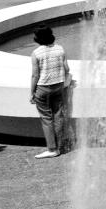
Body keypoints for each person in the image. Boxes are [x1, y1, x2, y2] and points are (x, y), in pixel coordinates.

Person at [29, 28, 73, 158]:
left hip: (42, 89)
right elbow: (67, 68)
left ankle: (52, 149)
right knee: (58, 116)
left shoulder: (36, 53)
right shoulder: (60, 49)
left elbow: (35, 75)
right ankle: (60, 146)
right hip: (58, 86)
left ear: (37, 38)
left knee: (46, 119)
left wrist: (31, 92)